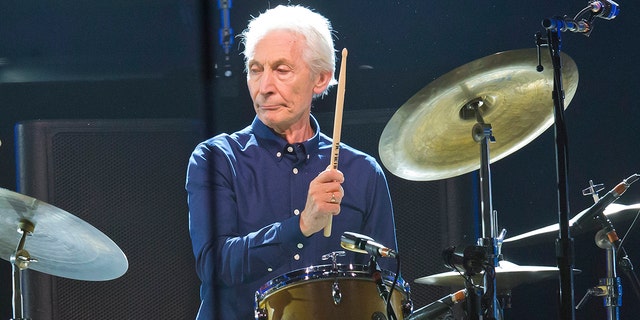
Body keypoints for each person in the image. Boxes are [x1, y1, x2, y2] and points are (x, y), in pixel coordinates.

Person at [186, 5, 399, 319]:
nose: (265, 87)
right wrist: (301, 226)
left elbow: (388, 287)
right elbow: (215, 265)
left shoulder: (362, 173)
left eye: (281, 69)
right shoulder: (217, 158)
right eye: (256, 69)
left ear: (321, 78)